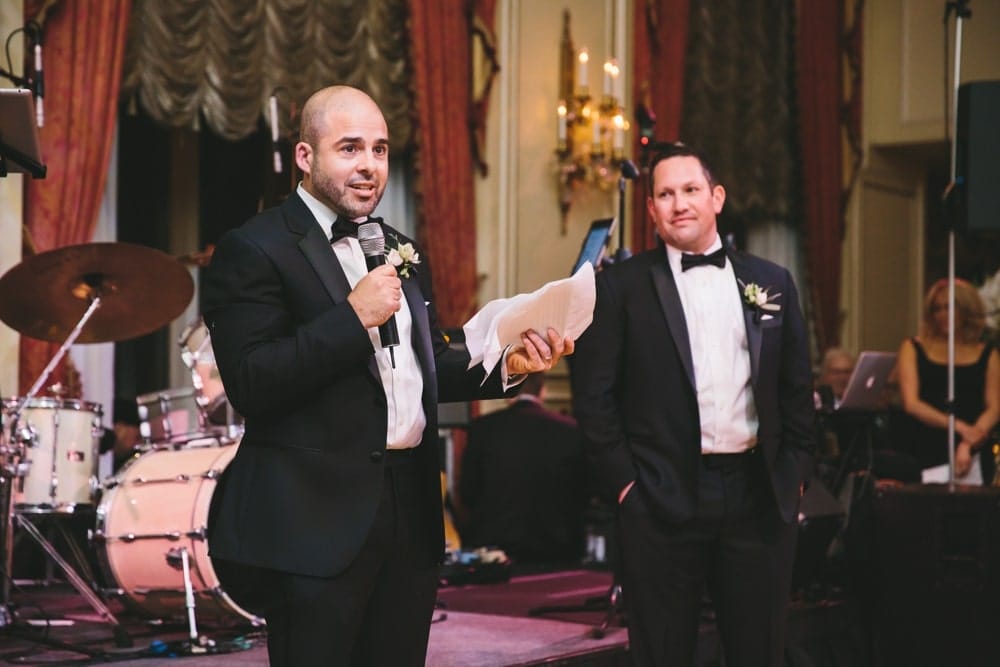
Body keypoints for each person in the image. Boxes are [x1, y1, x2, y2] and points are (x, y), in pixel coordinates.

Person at [201, 85, 571, 666]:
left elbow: (418, 368)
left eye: (379, 150)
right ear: (306, 157)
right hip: (315, 523)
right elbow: (253, 381)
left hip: (411, 512)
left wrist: (508, 367)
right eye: (349, 149)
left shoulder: (396, 246)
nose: (369, 166)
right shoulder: (254, 248)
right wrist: (352, 318)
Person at [571, 142, 815, 666]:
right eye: (665, 194)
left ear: (716, 197)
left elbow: (797, 392)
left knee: (759, 652)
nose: (679, 203)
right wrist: (627, 485)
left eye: (690, 190)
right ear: (652, 210)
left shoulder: (772, 282)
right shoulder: (619, 288)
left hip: (756, 495)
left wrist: (791, 472)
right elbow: (594, 399)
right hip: (659, 498)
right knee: (662, 653)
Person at [459, 372, 588, 565]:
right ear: (543, 391)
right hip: (557, 546)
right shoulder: (571, 430)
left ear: (507, 392)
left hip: (494, 546)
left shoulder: (482, 428)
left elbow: (467, 491)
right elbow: (583, 490)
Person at [895, 278, 999, 484]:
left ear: (966, 310)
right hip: (924, 444)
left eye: (950, 308)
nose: (943, 315)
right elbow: (911, 403)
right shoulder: (913, 347)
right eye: (937, 309)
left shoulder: (987, 353)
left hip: (973, 450)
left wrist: (968, 443)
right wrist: (959, 427)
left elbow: (995, 406)